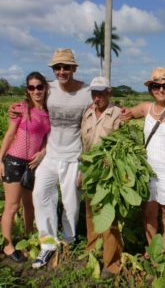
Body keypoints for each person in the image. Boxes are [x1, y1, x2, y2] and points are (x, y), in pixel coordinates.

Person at [29, 49, 92, 268]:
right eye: (57, 67)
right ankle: (47, 244)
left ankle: (68, 240)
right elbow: (32, 102)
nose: (62, 71)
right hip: (51, 154)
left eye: (66, 67)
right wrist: (16, 110)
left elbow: (101, 111)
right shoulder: (48, 88)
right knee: (40, 195)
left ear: (74, 68)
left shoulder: (87, 92)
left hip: (74, 156)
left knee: (71, 203)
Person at [121, 67, 165, 252]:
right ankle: (152, 249)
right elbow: (126, 114)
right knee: (149, 211)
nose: (161, 90)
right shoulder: (145, 108)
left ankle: (162, 252)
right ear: (151, 89)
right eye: (156, 86)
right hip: (150, 169)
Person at [0, 72, 50, 262]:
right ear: (27, 90)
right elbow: (9, 134)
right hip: (14, 162)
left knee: (30, 205)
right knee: (12, 207)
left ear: (45, 88)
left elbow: (46, 138)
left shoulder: (48, 111)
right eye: (31, 87)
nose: (36, 91)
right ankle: (8, 245)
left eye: (39, 87)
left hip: (32, 165)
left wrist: (43, 151)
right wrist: (0, 160)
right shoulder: (21, 108)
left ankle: (29, 237)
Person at [80, 76, 123, 280]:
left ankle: (112, 262)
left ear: (109, 93)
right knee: (90, 214)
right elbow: (83, 145)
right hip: (89, 171)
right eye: (94, 93)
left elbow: (121, 145)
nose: (97, 97)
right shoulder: (87, 113)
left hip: (108, 173)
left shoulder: (117, 114)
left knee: (108, 217)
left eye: (101, 93)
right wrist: (82, 172)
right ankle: (92, 251)